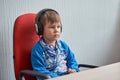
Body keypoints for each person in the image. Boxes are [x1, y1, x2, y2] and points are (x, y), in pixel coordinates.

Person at [31, 8, 80, 80]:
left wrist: (73, 69)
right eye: (52, 27)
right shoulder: (37, 50)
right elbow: (40, 70)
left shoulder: (63, 45)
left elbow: (71, 60)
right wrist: (58, 77)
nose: (56, 30)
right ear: (41, 29)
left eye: (58, 26)